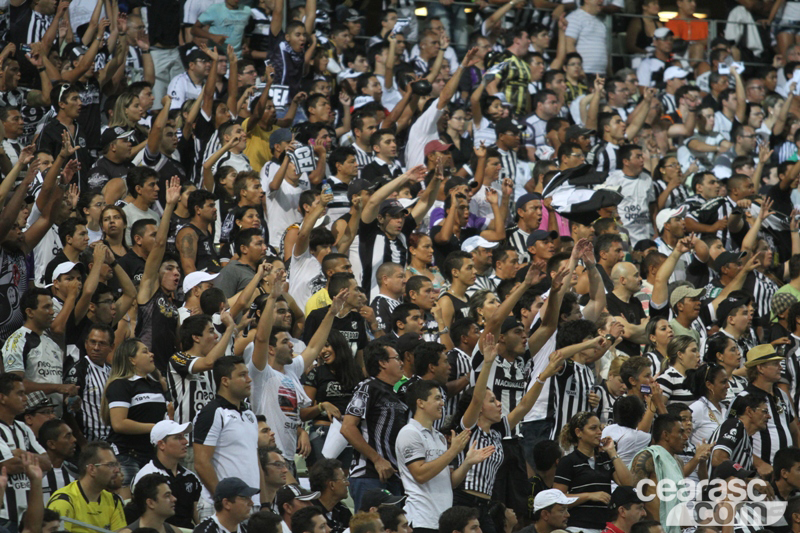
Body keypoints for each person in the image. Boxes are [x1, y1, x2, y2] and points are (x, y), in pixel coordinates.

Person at [249, 272, 346, 469]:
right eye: (285, 342)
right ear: (271, 348)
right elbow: (260, 338)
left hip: (288, 455)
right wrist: (273, 298)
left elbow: (313, 348)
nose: (292, 346)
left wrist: (331, 313)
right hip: (268, 456)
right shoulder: (261, 372)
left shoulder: (291, 369)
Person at [396, 379, 495, 533]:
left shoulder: (439, 437)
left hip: (442, 522)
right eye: (437, 398)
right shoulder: (409, 433)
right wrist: (452, 451)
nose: (442, 403)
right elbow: (420, 475)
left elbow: (450, 482)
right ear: (420, 403)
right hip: (421, 520)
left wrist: (467, 463)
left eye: (442, 398)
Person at [340, 339, 408, 509]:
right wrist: (377, 460)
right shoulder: (368, 387)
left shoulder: (394, 394)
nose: (401, 363)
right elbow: (347, 427)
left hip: (392, 476)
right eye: (397, 358)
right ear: (383, 363)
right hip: (368, 474)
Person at [193, 357, 262, 517]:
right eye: (242, 375)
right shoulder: (212, 413)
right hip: (222, 507)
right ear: (225, 381)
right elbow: (201, 463)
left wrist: (263, 503)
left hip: (252, 505)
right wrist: (224, 500)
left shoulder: (250, 414)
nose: (249, 379)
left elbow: (255, 462)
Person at [101, 337, 169, 496]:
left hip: (151, 455)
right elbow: (119, 423)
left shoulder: (156, 385)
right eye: (145, 351)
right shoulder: (121, 385)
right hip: (126, 455)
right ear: (131, 359)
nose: (151, 354)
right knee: (126, 507)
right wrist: (157, 428)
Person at [554, 412, 633, 532]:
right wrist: (589, 496)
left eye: (600, 428)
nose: (599, 432)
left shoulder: (605, 459)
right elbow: (558, 499)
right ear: (578, 432)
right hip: (578, 526)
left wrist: (612, 452)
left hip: (604, 527)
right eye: (593, 428)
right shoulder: (568, 462)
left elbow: (628, 484)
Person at [2, 288, 75, 414]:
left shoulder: (53, 344)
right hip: (29, 420)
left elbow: (59, 388)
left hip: (54, 421)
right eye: (46, 307)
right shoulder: (17, 342)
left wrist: (69, 399)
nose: (52, 312)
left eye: (52, 306)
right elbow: (13, 385)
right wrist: (57, 388)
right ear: (30, 312)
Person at [0, 373, 52, 532]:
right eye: (20, 394)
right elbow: (9, 466)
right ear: (2, 398)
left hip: (27, 517)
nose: (25, 399)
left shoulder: (23, 428)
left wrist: (19, 452)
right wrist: (30, 459)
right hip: (4, 517)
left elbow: (47, 463)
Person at [737, 344, 798, 474]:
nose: (781, 367)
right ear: (760, 368)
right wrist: (759, 464)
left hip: (785, 472)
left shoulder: (781, 394)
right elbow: (735, 440)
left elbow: (794, 430)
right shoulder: (743, 399)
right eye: (775, 364)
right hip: (759, 472)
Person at [132, 420, 203, 529]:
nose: (185, 442)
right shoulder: (146, 476)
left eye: (184, 436)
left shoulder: (190, 477)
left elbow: (197, 514)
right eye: (178, 437)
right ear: (161, 444)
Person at [47, 441, 126, 533]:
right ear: (92, 469)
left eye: (116, 464)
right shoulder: (64, 501)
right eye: (110, 465)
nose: (117, 470)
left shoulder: (114, 501)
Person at [629, 414, 691, 529]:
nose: (686, 437)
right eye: (680, 432)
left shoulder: (678, 461)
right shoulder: (648, 457)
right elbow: (631, 498)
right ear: (666, 435)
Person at [708, 393, 768, 477]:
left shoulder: (747, 438)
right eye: (764, 411)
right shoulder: (734, 424)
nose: (769, 416)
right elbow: (718, 459)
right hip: (716, 488)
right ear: (749, 411)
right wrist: (746, 477)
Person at [191, 477, 259, 533]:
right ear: (226, 503)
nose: (251, 503)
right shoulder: (205, 531)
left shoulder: (246, 529)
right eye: (244, 498)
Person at [38, 418, 76, 503]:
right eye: (68, 436)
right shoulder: (34, 475)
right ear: (51, 444)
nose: (74, 439)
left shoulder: (75, 473)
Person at [309, 459, 352, 533]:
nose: (348, 483)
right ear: (332, 485)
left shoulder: (343, 511)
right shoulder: (310, 514)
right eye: (344, 479)